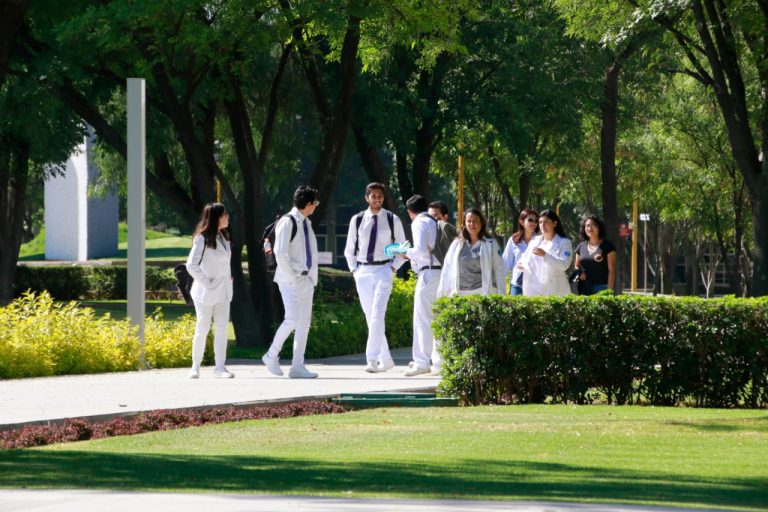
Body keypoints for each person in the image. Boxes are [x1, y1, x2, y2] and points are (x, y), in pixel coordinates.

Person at [343, 182, 407, 373]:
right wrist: (354, 270)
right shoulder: (357, 219)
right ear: (367, 197)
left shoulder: (392, 219)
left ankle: (371, 360)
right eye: (373, 195)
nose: (377, 199)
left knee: (378, 314)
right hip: (362, 271)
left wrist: (393, 268)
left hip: (383, 270)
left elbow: (402, 249)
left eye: (380, 196)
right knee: (371, 317)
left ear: (383, 198)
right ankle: (386, 358)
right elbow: (349, 248)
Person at [261, 186, 320, 379]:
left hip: (306, 278)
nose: (316, 207)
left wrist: (311, 278)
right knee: (292, 319)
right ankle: (271, 354)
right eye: (315, 203)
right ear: (309, 204)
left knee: (304, 323)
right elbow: (280, 251)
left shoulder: (306, 223)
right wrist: (291, 278)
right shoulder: (288, 221)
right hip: (291, 279)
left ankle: (297, 365)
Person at [185, 202, 234, 379]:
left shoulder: (223, 237)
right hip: (205, 292)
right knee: (203, 327)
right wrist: (208, 282)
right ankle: (195, 366)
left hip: (223, 291)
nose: (228, 217)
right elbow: (191, 265)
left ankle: (220, 367)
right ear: (216, 217)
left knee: (221, 328)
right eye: (225, 214)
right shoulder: (202, 238)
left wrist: (227, 280)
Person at [398, 195, 441, 377]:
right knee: (438, 318)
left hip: (429, 273)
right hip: (441, 272)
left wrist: (402, 251)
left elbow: (420, 250)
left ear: (410, 212)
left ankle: (421, 361)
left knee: (423, 319)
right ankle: (439, 362)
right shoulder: (435, 221)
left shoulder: (419, 223)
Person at [437, 208, 505, 299]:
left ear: (481, 223)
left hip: (483, 293)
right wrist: (441, 295)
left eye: (475, 221)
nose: (472, 224)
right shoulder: (457, 244)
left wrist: (502, 296)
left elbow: (499, 270)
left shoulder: (491, 244)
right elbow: (447, 269)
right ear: (464, 223)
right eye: (469, 221)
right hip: (459, 294)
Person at [518, 209, 573, 296]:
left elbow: (564, 265)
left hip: (555, 290)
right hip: (534, 290)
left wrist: (545, 255)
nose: (542, 225)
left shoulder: (565, 243)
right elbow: (523, 259)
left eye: (546, 222)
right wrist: (521, 265)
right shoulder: (534, 241)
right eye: (540, 222)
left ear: (554, 223)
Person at [574, 215, 616, 294]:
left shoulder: (608, 246)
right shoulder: (580, 246)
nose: (590, 228)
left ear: (599, 228)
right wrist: (580, 273)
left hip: (602, 287)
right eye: (587, 226)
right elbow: (576, 266)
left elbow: (612, 270)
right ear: (584, 229)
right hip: (584, 287)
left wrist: (609, 291)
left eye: (593, 225)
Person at [502, 208, 539, 295]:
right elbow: (505, 263)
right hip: (517, 285)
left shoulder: (540, 240)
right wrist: (498, 283)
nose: (534, 223)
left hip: (535, 285)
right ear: (522, 222)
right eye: (530, 220)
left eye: (536, 221)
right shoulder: (513, 240)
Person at [428, 200, 458, 264]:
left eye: (435, 216)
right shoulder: (427, 234)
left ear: (445, 217)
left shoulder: (448, 231)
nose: (430, 221)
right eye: (429, 217)